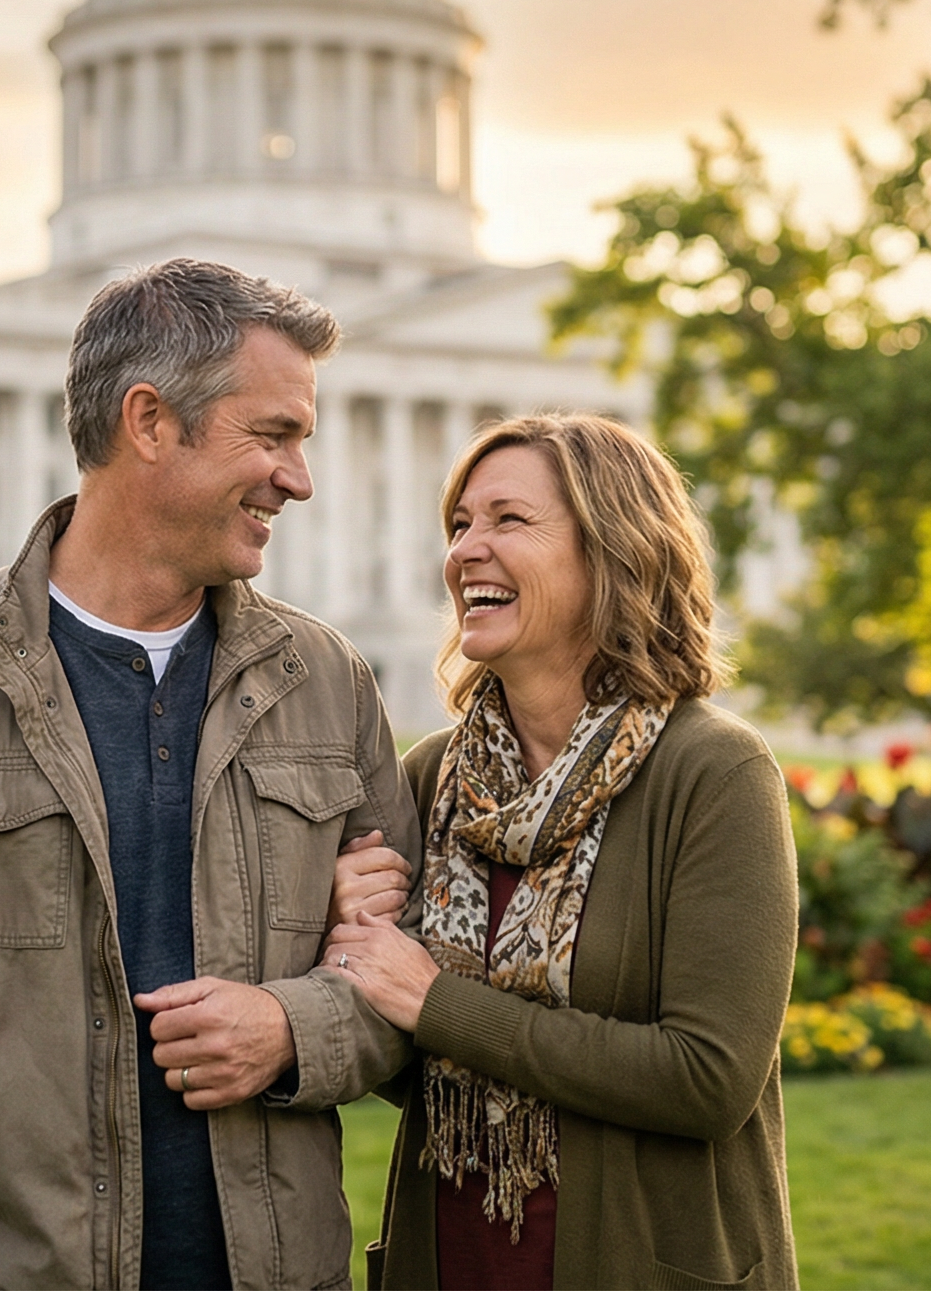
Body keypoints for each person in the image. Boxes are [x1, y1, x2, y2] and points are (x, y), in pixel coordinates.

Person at [0, 258, 421, 1291]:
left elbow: (410, 983)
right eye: (274, 435)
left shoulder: (327, 684)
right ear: (150, 421)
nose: (298, 479)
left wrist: (291, 1028)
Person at [323, 413, 800, 1290]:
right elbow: (405, 1073)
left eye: (508, 520)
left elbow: (708, 1081)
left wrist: (435, 1002)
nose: (468, 549)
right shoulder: (432, 778)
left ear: (613, 552)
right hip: (451, 1258)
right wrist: (351, 948)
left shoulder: (713, 772)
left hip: (641, 1264)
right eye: (460, 524)